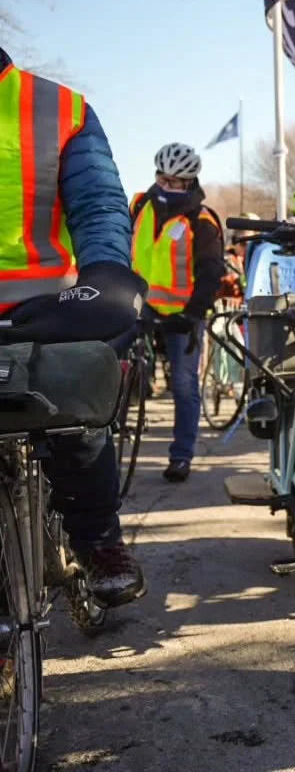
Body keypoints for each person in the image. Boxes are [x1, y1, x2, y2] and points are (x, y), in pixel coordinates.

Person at [0, 48, 148, 606]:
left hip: (45, 308)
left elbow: (99, 205)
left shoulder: (55, 107)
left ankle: (97, 541)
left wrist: (107, 271)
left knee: (74, 415)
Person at [132, 143, 225, 482]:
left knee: (184, 386)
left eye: (176, 182)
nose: (167, 187)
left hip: (182, 315)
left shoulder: (201, 220)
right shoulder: (140, 205)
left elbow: (211, 272)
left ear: (190, 182)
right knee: (109, 368)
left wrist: (193, 313)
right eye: (162, 178)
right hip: (139, 308)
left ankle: (181, 456)